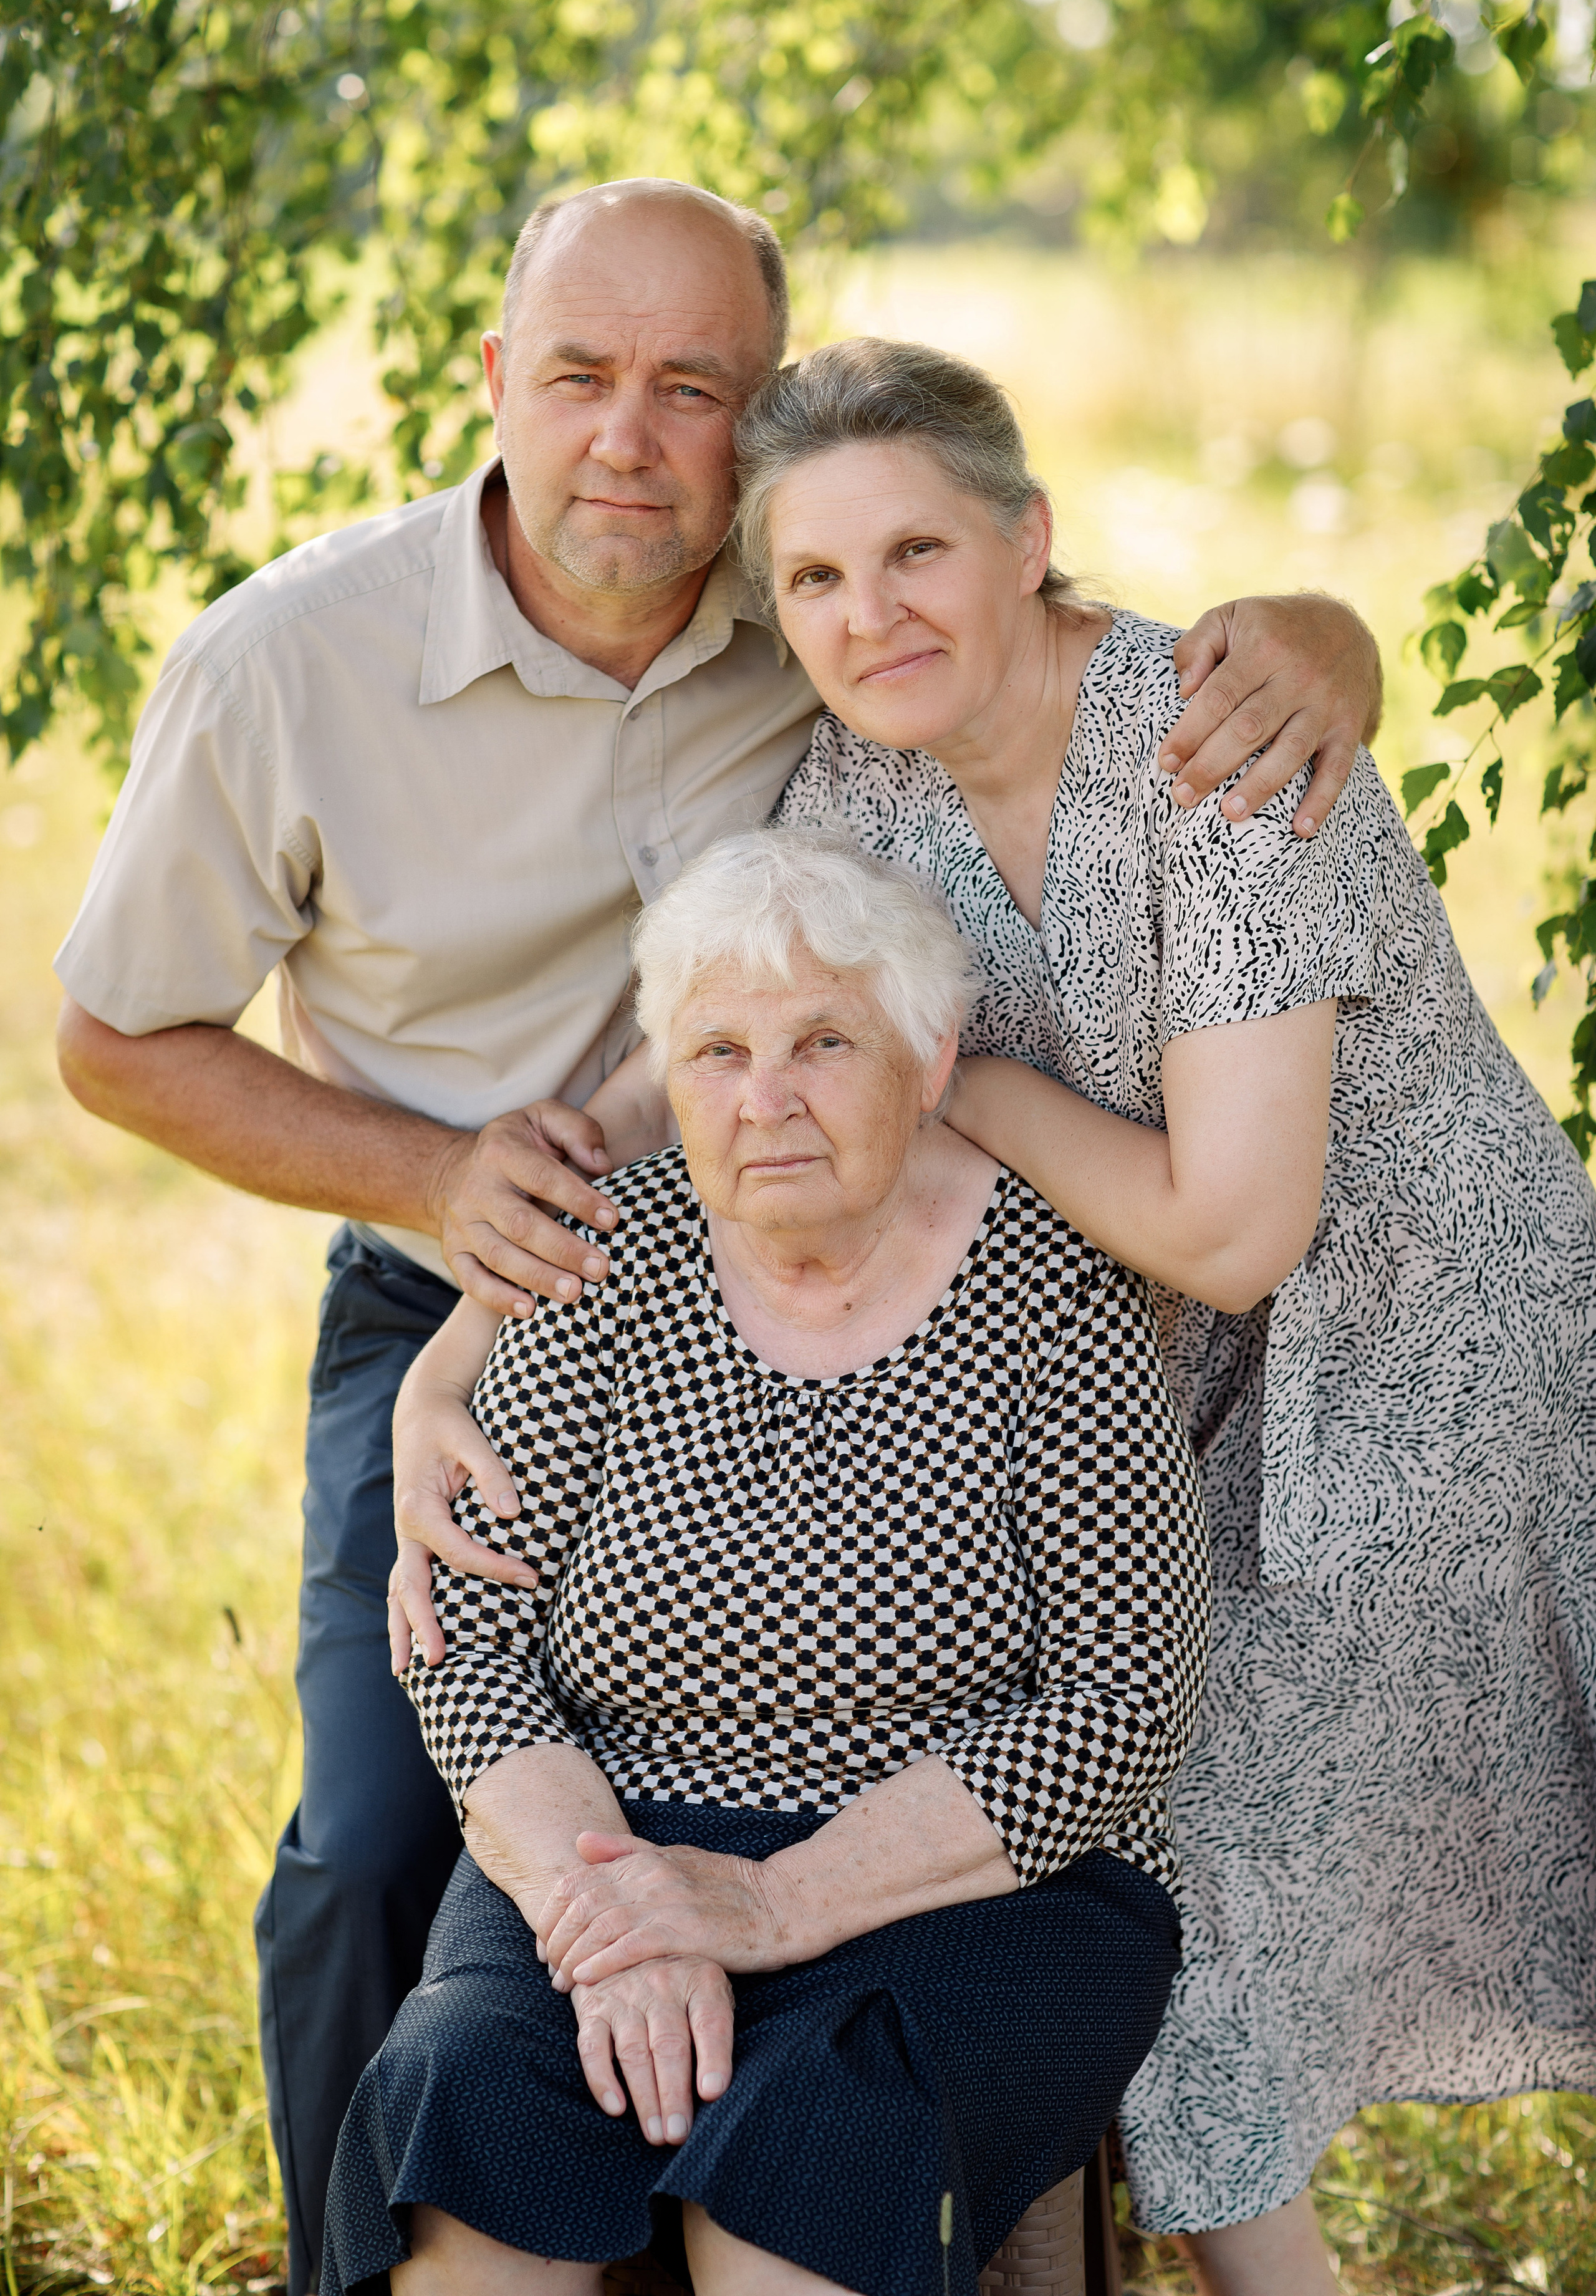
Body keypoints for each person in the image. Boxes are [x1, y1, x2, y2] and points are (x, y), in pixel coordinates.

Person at [50, 176, 1380, 2296]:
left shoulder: (825, 619)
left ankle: (818, 2177)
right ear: (492, 384)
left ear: (753, 433)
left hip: (873, 1252)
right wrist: (432, 1193)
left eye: (695, 390)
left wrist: (1325, 638)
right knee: (387, 1838)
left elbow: (1074, 641)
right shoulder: (290, 665)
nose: (628, 438)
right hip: (476, 1266)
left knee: (932, 1782)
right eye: (577, 377)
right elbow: (116, 1041)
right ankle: (367, 2244)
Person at [400, 335, 1596, 2294]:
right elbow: (721, 1028)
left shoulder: (1217, 752)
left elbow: (1226, 1229)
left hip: (1428, 1372)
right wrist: (472, 1328)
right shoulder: (866, 775)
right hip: (1190, 1399)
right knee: (1196, 1977)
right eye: (812, 579)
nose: (869, 617)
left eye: (917, 557)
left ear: (1030, 540)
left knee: (1262, 1936)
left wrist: (944, 1074)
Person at [323, 824, 1211, 2296]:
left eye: (823, 1043)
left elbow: (1123, 1706)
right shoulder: (602, 1264)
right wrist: (618, 1914)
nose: (766, 1100)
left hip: (971, 1881)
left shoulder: (1051, 1287)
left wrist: (764, 1905)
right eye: (718, 1051)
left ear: (929, 1062)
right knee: (474, 2094)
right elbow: (466, 1646)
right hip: (607, 1841)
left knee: (816, 2144)